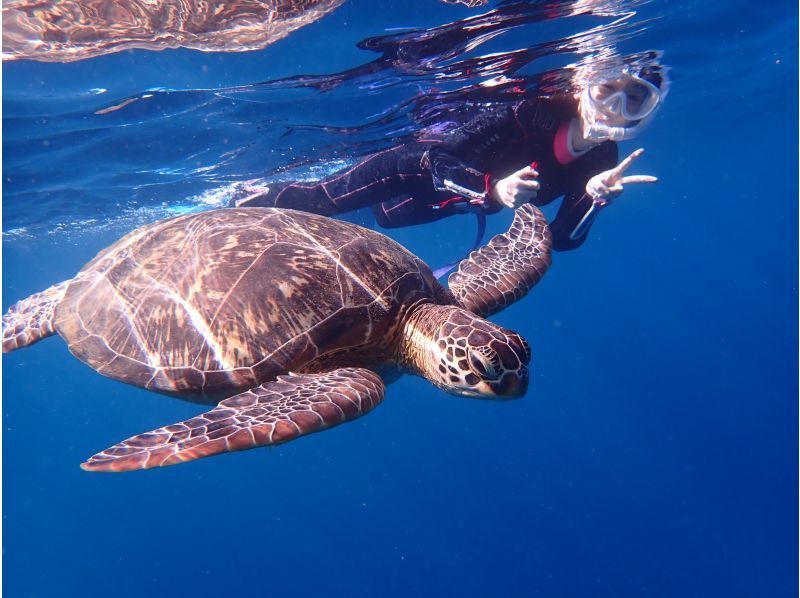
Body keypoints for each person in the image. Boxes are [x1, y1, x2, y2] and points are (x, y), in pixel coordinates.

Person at [231, 61, 670, 252]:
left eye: (635, 100)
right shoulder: (528, 111)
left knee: (361, 222)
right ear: (583, 86)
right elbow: (435, 157)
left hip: (418, 208)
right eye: (607, 89)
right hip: (408, 166)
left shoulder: (603, 163)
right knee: (321, 200)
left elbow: (560, 239)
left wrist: (594, 198)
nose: (615, 107)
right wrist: (492, 188)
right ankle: (227, 206)